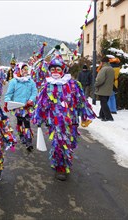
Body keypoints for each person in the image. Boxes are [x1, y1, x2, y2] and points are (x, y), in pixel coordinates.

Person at [32, 52, 95, 181]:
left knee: (68, 143)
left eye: (58, 69)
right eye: (53, 69)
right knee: (59, 142)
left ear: (63, 70)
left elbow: (81, 101)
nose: (55, 71)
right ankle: (61, 167)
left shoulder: (73, 85)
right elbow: (41, 103)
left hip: (70, 120)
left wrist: (85, 115)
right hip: (54, 122)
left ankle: (61, 161)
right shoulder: (47, 85)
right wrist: (38, 117)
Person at [4, 62, 37, 151]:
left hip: (27, 107)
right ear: (19, 70)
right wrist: (7, 101)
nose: (25, 71)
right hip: (18, 107)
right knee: (19, 122)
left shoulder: (31, 81)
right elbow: (9, 94)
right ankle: (21, 135)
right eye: (24, 69)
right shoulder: (14, 81)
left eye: (27, 69)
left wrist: (31, 100)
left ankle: (28, 141)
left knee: (27, 123)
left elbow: (34, 92)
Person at [94, 56, 115, 121]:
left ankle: (108, 117)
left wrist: (95, 84)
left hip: (103, 89)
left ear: (103, 62)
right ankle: (101, 115)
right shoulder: (111, 68)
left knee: (103, 103)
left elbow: (100, 80)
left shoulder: (103, 69)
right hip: (109, 89)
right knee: (104, 102)